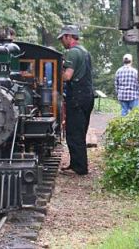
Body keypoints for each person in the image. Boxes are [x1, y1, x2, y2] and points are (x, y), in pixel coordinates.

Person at [58, 24, 94, 175]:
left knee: (74, 133)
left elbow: (67, 76)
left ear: (68, 36)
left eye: (62, 38)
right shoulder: (85, 52)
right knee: (80, 131)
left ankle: (80, 168)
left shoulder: (72, 53)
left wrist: (56, 72)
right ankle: (76, 164)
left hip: (77, 98)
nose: (61, 42)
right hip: (87, 96)